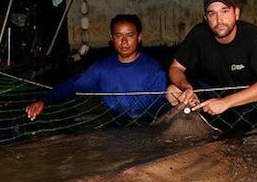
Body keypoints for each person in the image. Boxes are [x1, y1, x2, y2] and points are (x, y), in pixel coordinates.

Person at [166, 0, 257, 125]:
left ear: (236, 13)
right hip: (212, 99)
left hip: (252, 99)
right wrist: (186, 87)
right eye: (212, 14)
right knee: (173, 91)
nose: (219, 20)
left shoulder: (252, 36)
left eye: (224, 11)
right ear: (206, 18)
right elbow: (175, 68)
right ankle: (198, 131)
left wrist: (226, 102)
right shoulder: (198, 34)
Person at [25, 14, 167, 120]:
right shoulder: (102, 68)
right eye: (118, 36)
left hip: (145, 125)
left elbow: (160, 106)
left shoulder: (153, 69)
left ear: (139, 37)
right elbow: (72, 85)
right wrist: (44, 100)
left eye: (130, 35)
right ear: (112, 38)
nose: (124, 42)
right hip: (113, 124)